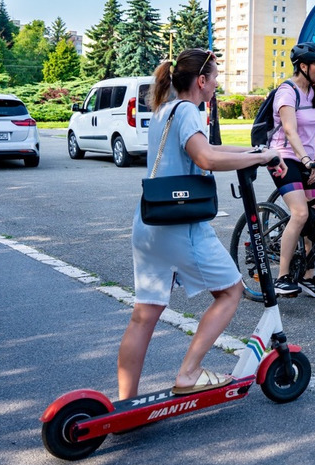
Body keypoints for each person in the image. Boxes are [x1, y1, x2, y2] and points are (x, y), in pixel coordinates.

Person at [118, 48, 279, 399]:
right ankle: (189, 373)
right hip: (182, 225)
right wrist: (261, 156)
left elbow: (212, 148)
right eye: (216, 78)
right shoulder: (189, 111)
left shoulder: (164, 110)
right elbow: (205, 156)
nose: (217, 85)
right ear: (201, 81)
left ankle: (125, 401)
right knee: (231, 291)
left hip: (149, 223)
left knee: (144, 316)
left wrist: (258, 154)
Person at [267, 42, 315, 299]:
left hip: (307, 160)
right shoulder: (287, 92)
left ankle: (307, 275)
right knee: (301, 212)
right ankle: (282, 276)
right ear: (303, 66)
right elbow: (290, 130)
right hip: (283, 158)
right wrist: (305, 159)